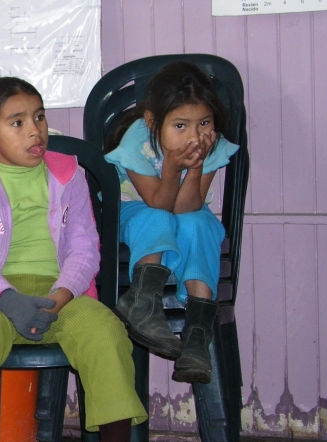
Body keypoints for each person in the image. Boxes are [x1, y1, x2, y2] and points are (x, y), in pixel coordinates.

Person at [0, 77, 146, 441]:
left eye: (39, 117)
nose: (35, 130)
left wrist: (60, 297)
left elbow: (84, 249)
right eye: (17, 122)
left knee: (106, 332)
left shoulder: (70, 176)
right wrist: (9, 300)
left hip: (61, 294)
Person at [104, 61, 239, 384]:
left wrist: (195, 168)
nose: (194, 136)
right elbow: (159, 204)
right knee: (157, 218)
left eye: (204, 122)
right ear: (153, 121)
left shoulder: (210, 143)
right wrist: (171, 170)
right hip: (136, 209)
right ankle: (143, 302)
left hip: (183, 210)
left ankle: (197, 336)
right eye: (180, 125)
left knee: (200, 226)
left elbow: (187, 208)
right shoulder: (138, 139)